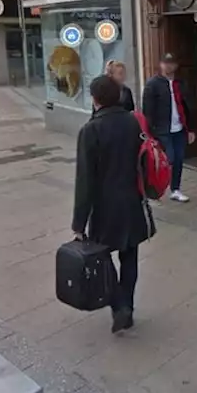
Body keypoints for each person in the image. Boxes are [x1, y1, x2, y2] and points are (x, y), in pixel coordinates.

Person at [71, 75, 152, 333]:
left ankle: (119, 306)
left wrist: (78, 223)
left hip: (104, 208)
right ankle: (127, 304)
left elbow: (85, 180)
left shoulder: (90, 130)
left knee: (103, 260)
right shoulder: (132, 122)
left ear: (94, 99)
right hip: (132, 202)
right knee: (130, 257)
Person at [142, 53, 197, 203]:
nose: (168, 66)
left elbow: (189, 106)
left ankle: (175, 189)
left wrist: (191, 129)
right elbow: (148, 110)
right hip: (161, 130)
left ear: (176, 66)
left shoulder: (180, 83)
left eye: (171, 63)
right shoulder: (153, 84)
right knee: (168, 159)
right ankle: (154, 187)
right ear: (160, 65)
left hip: (179, 129)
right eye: (165, 63)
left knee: (178, 159)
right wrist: (149, 133)